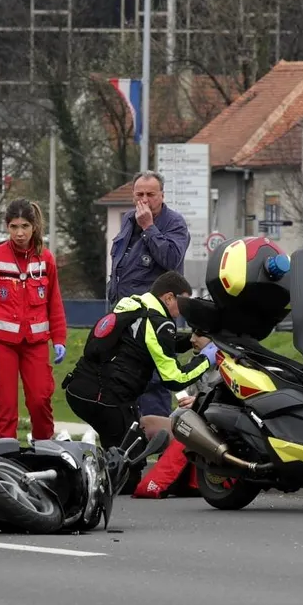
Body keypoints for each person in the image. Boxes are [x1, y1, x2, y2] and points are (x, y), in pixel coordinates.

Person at [63, 271, 217, 480]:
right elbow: (174, 379)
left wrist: (191, 339)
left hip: (80, 389)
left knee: (117, 458)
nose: (182, 311)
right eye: (182, 303)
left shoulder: (135, 306)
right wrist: (207, 358)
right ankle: (78, 480)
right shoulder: (159, 323)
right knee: (128, 474)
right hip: (107, 399)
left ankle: (93, 472)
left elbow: (155, 343)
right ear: (169, 298)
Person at [0, 199, 68, 441]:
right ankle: (5, 456)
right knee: (5, 404)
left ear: (34, 226)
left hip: (35, 343)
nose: (20, 233)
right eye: (14, 226)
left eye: (25, 226)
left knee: (40, 400)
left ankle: (45, 448)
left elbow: (54, 302)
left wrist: (60, 339)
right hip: (1, 343)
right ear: (7, 227)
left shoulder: (45, 259)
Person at [106, 171, 191, 424]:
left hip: (154, 320)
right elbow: (119, 268)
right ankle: (129, 445)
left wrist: (148, 227)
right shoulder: (127, 220)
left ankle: (159, 445)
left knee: (153, 383)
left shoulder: (174, 223)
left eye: (150, 195)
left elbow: (171, 260)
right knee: (123, 380)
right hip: (124, 317)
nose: (144, 200)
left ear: (161, 196)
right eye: (139, 194)